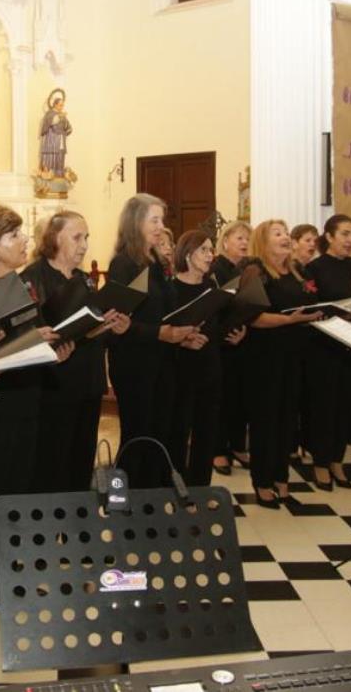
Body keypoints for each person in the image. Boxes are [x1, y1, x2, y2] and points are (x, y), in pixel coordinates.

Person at [0, 205, 70, 610]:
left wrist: (51, 348)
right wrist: (25, 343)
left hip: (27, 396)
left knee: (20, 488)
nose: (23, 241)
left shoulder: (17, 283)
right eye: (13, 236)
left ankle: (15, 568)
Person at [23, 211, 131, 492]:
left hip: (89, 380)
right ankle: (50, 526)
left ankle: (77, 523)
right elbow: (29, 334)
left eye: (87, 238)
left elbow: (91, 330)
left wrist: (112, 327)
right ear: (55, 238)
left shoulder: (85, 279)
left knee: (81, 459)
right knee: (52, 461)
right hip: (55, 384)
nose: (84, 245)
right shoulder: (32, 278)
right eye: (77, 237)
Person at [107, 195, 193, 488]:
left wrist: (183, 332)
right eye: (153, 220)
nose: (161, 227)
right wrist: (160, 333)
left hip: (162, 358)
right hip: (134, 362)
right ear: (135, 223)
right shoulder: (124, 264)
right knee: (138, 435)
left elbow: (164, 309)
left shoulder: (154, 261)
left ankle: (154, 499)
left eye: (162, 220)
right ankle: (128, 502)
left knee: (160, 433)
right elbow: (118, 324)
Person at [244, 220, 322, 507]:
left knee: (287, 418)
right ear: (263, 241)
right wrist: (291, 319)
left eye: (286, 233)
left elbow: (308, 301)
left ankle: (281, 479)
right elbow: (254, 317)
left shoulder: (295, 271)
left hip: (293, 353)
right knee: (266, 419)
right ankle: (262, 482)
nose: (286, 238)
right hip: (264, 356)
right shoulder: (255, 271)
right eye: (278, 234)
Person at [169, 231, 244, 486]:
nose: (210, 255)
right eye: (204, 250)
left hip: (210, 368)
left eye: (211, 250)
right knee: (178, 433)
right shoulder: (171, 289)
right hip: (180, 370)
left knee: (207, 432)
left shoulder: (211, 288)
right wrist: (183, 339)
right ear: (187, 255)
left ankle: (201, 489)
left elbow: (216, 326)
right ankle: (177, 490)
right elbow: (164, 331)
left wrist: (233, 333)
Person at [304, 214, 351, 489]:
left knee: (345, 404)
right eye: (344, 234)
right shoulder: (314, 268)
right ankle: (320, 462)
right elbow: (310, 304)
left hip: (350, 342)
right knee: (323, 405)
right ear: (329, 237)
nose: (350, 240)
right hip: (323, 345)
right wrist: (337, 310)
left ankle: (337, 460)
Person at [211, 221, 253, 475]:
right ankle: (217, 450)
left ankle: (238, 445)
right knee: (222, 398)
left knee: (241, 396)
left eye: (247, 239)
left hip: (243, 338)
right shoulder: (217, 269)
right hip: (222, 342)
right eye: (239, 238)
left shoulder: (248, 269)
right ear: (225, 241)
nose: (244, 243)